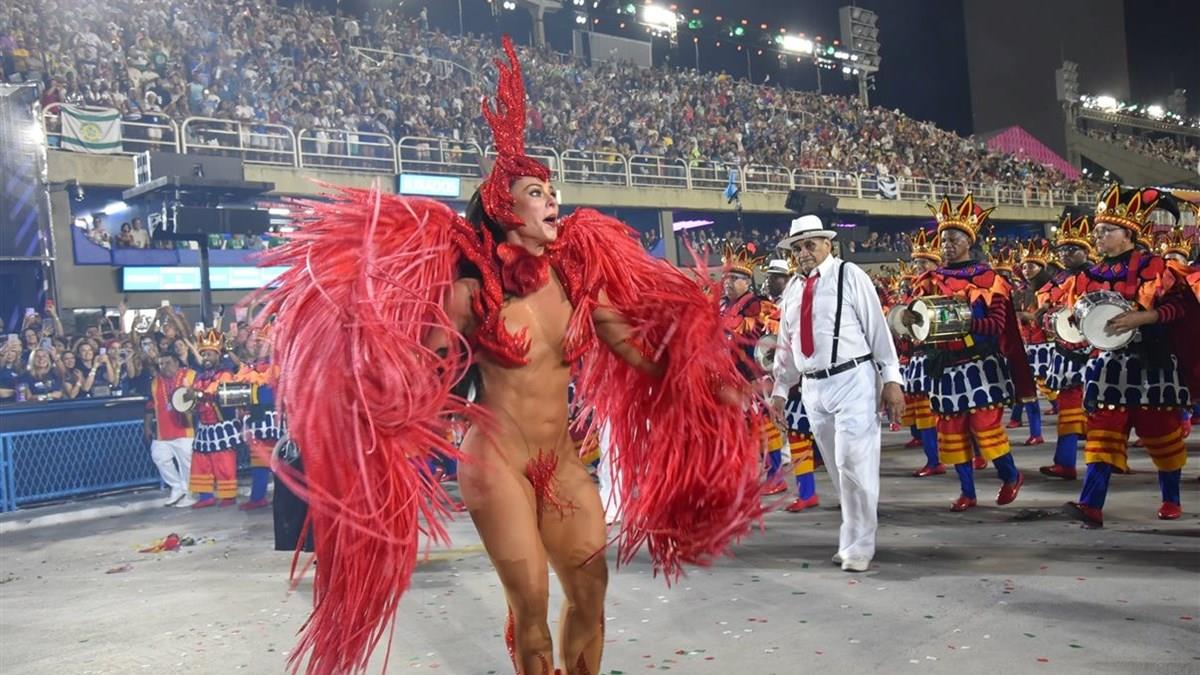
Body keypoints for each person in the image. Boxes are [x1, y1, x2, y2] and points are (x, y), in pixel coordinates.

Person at [257, 35, 766, 675]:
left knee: (591, 593)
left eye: (551, 190)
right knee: (531, 602)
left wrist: (707, 383)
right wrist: (376, 400)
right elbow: (431, 378)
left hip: (563, 461)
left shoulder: (582, 282)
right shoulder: (471, 291)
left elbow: (641, 358)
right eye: (535, 191)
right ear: (504, 207)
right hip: (495, 458)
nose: (552, 199)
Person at [770, 215, 905, 572]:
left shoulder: (850, 275)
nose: (803, 252)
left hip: (853, 380)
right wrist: (780, 389)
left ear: (828, 244)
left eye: (810, 244)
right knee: (836, 467)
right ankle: (851, 539)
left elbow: (878, 329)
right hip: (813, 387)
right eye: (797, 247)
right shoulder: (793, 290)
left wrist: (891, 379)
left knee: (854, 464)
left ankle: (859, 545)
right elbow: (786, 344)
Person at [1062, 185, 1199, 528]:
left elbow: (1179, 308)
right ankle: (1090, 505)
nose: (1099, 236)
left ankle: (1171, 499)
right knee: (1102, 435)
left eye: (1106, 231)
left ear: (1128, 234)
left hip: (1151, 362)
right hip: (1107, 366)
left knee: (1162, 435)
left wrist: (1144, 316)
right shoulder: (1086, 276)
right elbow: (1078, 321)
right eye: (1097, 231)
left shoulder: (1157, 267)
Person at [901, 195, 1035, 512]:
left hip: (980, 365)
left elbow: (996, 325)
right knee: (952, 430)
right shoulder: (929, 282)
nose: (946, 244)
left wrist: (960, 320)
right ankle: (967, 492)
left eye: (954, 239)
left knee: (985, 428)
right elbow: (918, 326)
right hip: (944, 366)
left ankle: (1011, 476)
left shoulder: (991, 280)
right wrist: (908, 322)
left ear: (968, 242)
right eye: (943, 239)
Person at [1036, 214, 1095, 480]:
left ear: (1086, 250)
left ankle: (1111, 458)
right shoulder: (1056, 280)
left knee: (1107, 412)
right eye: (1062, 249)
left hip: (1097, 354)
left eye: (1073, 249)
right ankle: (1066, 462)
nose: (1066, 253)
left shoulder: (1100, 276)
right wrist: (1044, 314)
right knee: (1069, 410)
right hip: (1066, 354)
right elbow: (1043, 312)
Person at [901, 229, 943, 476]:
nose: (918, 266)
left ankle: (974, 454)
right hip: (918, 357)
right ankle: (933, 460)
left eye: (923, 261)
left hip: (937, 356)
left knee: (953, 411)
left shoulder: (941, 286)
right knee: (924, 413)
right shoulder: (914, 289)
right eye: (916, 261)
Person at [188, 328, 241, 508]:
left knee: (223, 460)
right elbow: (195, 396)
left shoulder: (225, 374)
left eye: (210, 354)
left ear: (218, 355)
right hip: (204, 425)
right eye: (204, 354)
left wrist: (198, 395)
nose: (206, 358)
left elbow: (217, 395)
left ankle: (228, 495)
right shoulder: (200, 376)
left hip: (221, 424)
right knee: (201, 460)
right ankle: (206, 496)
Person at [145, 352, 197, 507]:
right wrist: (146, 426)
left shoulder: (191, 375)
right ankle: (176, 486)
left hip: (185, 429)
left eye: (167, 362)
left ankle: (190, 493)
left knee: (186, 463)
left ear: (176, 362)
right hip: (163, 431)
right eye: (160, 364)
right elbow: (149, 406)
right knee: (159, 457)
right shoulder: (155, 382)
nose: (163, 366)